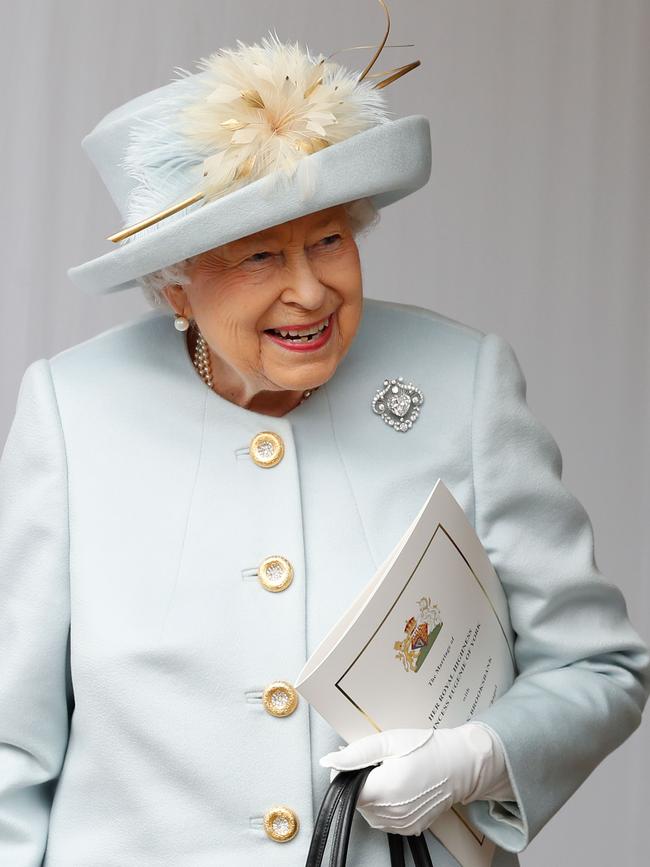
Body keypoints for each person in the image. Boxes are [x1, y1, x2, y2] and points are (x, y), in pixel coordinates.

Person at [1, 12, 648, 867]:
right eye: (260, 257)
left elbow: (599, 667)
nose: (310, 289)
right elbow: (12, 746)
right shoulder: (72, 409)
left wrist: (480, 756)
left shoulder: (465, 380)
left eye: (330, 240)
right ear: (175, 289)